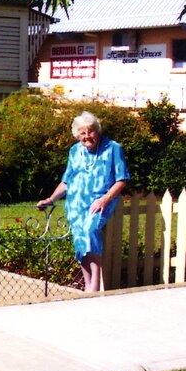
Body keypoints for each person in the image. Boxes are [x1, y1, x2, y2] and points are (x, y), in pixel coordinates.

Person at [37, 111, 129, 292]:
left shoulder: (113, 148)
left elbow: (122, 179)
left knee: (90, 230)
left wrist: (105, 199)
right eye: (82, 133)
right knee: (80, 240)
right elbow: (67, 181)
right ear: (77, 135)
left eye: (91, 131)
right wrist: (51, 199)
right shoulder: (74, 150)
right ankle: (88, 284)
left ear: (98, 131)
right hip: (76, 203)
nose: (87, 136)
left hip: (99, 201)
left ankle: (95, 283)